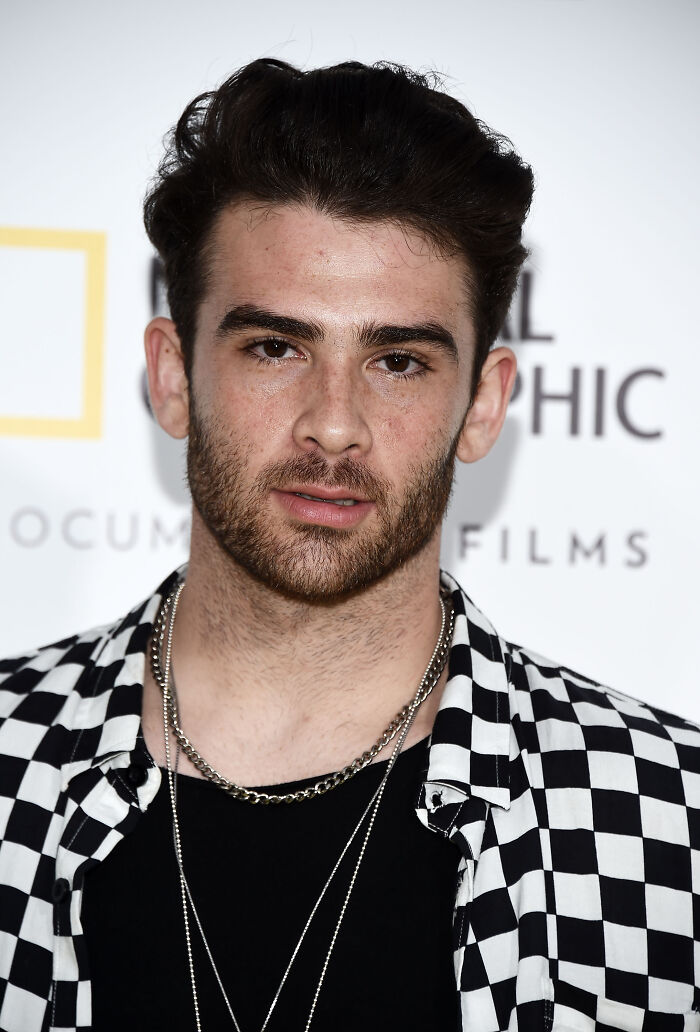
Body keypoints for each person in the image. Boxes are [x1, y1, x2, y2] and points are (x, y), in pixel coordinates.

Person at [0, 58, 698, 1032]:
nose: (333, 426)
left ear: (484, 402)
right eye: (275, 348)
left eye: (398, 361)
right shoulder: (8, 760)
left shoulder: (663, 821)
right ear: (170, 377)